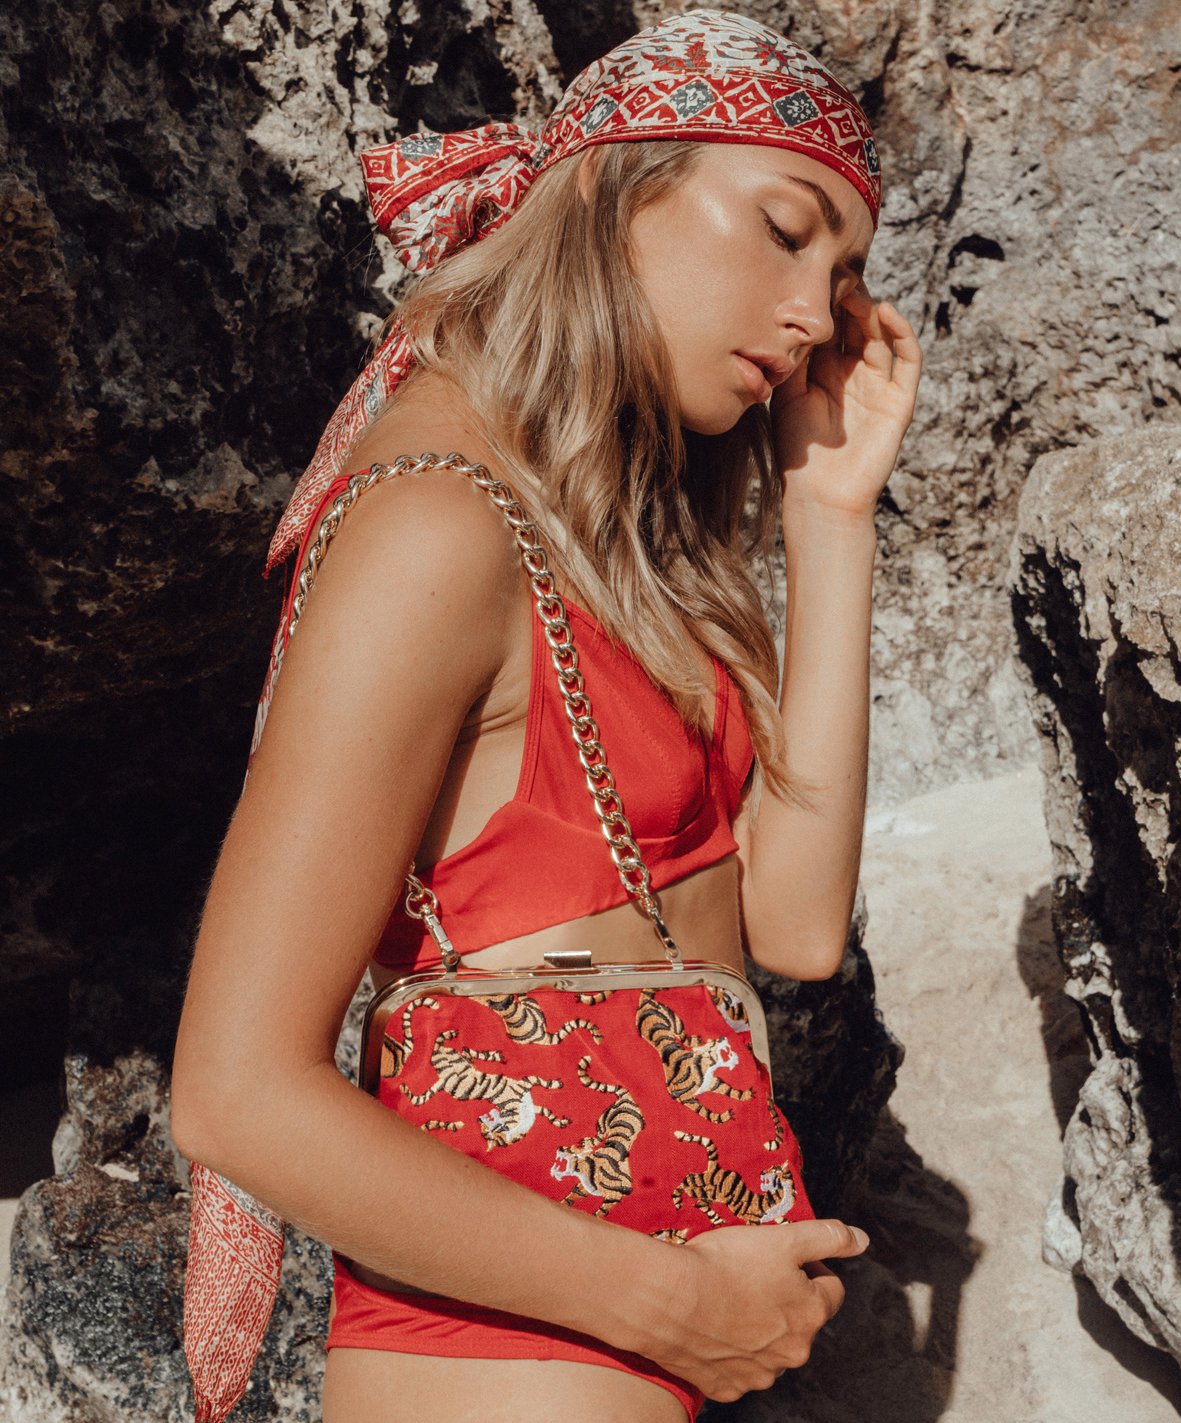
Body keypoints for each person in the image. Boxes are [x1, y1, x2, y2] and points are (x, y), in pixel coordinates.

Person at [170, 10, 921, 1422]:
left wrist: (830, 518)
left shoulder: (604, 547)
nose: (818, 314)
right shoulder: (437, 530)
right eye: (781, 229)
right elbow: (234, 1092)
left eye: (844, 274)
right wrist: (676, 1305)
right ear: (608, 188)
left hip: (642, 1354)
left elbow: (795, 928)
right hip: (504, 1360)